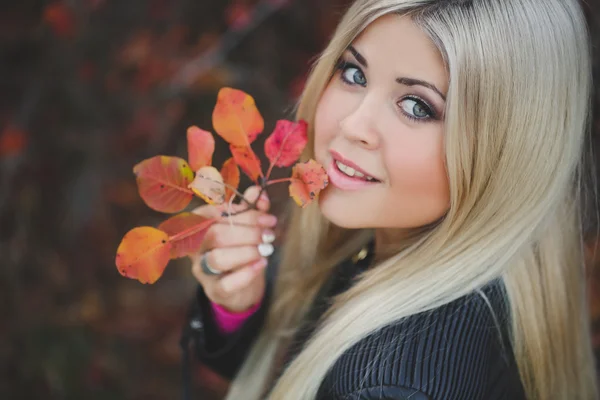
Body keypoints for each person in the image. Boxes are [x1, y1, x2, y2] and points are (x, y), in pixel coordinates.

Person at [179, 0, 598, 399]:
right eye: (354, 74)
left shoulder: (389, 385)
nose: (353, 123)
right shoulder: (430, 258)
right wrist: (236, 307)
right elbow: (300, 368)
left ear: (506, 153)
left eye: (417, 106)